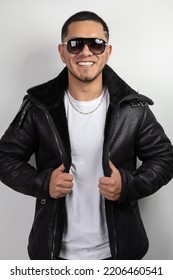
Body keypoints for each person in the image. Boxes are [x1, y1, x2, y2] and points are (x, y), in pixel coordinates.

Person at [0, 11, 173, 260]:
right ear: (62, 52)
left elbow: (164, 157)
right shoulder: (39, 106)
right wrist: (43, 183)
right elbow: (4, 157)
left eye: (96, 43)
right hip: (53, 253)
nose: (86, 52)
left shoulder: (133, 108)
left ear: (108, 51)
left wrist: (129, 185)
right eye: (75, 44)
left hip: (119, 253)